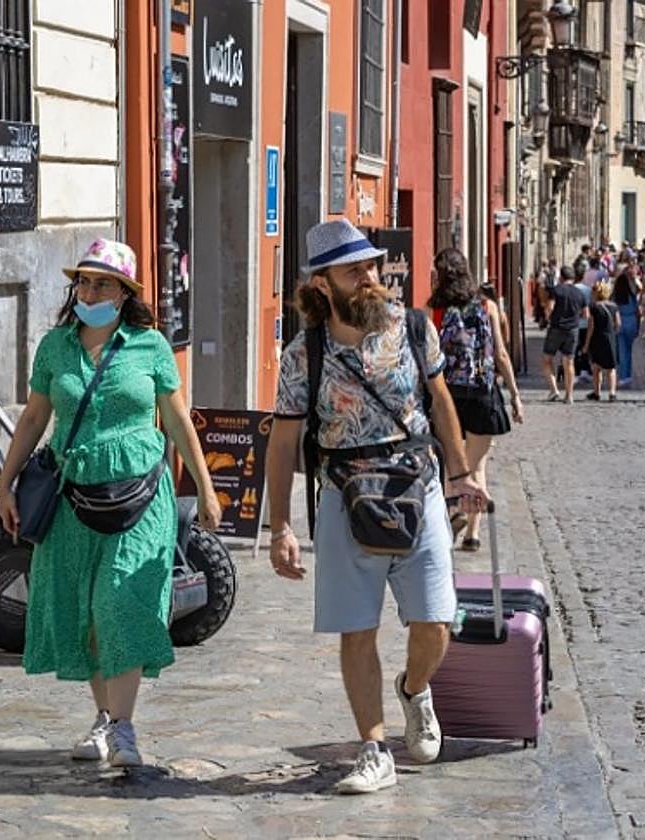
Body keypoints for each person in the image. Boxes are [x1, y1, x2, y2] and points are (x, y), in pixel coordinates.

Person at [265, 219, 489, 792]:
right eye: (353, 270)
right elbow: (285, 440)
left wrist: (463, 473)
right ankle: (374, 748)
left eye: (370, 265)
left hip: (419, 485)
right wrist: (282, 526)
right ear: (323, 284)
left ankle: (414, 689)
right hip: (344, 495)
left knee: (436, 621)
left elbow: (440, 403)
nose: (368, 277)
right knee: (357, 631)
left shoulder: (413, 328)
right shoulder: (301, 355)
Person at [0, 238, 222, 767]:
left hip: (140, 494)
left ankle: (123, 728)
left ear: (124, 293)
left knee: (121, 600)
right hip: (74, 496)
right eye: (84, 281)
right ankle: (103, 719)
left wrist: (205, 487)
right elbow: (33, 418)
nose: (90, 290)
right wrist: (6, 483)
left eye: (102, 283)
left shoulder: (150, 346)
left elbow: (178, 419)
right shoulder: (55, 346)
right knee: (89, 612)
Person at [429, 252, 524, 551]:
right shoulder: (488, 305)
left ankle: (455, 510)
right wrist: (515, 396)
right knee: (477, 466)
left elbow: (428, 359)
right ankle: (473, 534)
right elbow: (501, 354)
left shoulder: (435, 310)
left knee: (452, 468)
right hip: (482, 393)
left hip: (448, 398)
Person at [542, 266, 589, 404]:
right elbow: (586, 315)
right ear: (573, 278)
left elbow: (549, 308)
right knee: (569, 361)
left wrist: (549, 318)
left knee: (547, 359)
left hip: (556, 328)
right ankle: (569, 395)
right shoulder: (580, 293)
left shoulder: (556, 290)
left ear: (561, 277)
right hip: (573, 330)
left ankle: (554, 390)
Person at [583, 281, 621, 401]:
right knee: (611, 368)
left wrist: (586, 344)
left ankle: (596, 392)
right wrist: (612, 331)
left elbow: (591, 326)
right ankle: (612, 392)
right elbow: (618, 323)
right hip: (610, 338)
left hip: (597, 338)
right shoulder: (614, 306)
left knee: (596, 367)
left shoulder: (593, 307)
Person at [611, 269, 642, 386]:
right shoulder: (632, 296)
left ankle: (624, 376)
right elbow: (638, 312)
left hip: (620, 323)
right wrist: (638, 326)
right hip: (632, 322)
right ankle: (628, 374)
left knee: (622, 351)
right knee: (628, 350)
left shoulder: (615, 297)